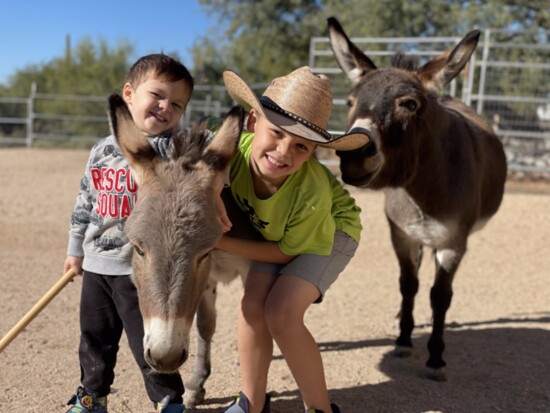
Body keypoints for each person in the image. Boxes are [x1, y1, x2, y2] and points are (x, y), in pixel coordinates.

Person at [217, 67, 370, 413]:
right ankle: (250, 404)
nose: (284, 152)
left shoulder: (310, 190)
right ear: (253, 122)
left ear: (315, 150)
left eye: (301, 146)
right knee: (252, 308)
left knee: (282, 313)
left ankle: (320, 409)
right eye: (276, 133)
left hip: (330, 232)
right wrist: (212, 191)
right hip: (273, 232)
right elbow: (206, 165)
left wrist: (219, 242)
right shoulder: (232, 151)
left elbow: (287, 252)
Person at [64, 53, 198, 413]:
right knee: (94, 339)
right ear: (128, 94)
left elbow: (208, 139)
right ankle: (92, 397)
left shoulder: (173, 150)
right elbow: (85, 201)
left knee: (147, 341)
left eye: (177, 103)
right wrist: (75, 249)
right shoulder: (102, 150)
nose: (165, 107)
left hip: (141, 272)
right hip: (97, 264)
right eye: (156, 95)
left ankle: (168, 399)